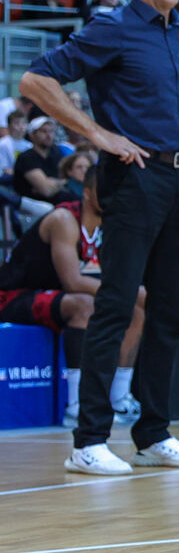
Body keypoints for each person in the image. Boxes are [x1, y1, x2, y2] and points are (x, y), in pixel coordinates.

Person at [20, 0, 179, 476]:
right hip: (132, 179)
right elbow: (35, 80)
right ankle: (89, 440)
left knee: (171, 311)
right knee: (116, 304)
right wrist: (97, 134)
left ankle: (153, 433)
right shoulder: (114, 27)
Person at [0, 168, 145, 427]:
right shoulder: (64, 219)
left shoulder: (109, 224)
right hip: (12, 295)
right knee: (85, 305)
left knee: (137, 307)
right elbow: (73, 282)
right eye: (108, 190)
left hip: (52, 295)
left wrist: (132, 292)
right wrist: (125, 292)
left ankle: (120, 398)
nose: (115, 196)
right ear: (88, 194)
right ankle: (75, 406)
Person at [14, 116, 67, 203]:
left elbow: (68, 179)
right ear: (32, 135)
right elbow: (45, 190)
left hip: (57, 201)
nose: (49, 135)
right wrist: (61, 183)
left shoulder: (56, 152)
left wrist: (53, 182)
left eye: (51, 131)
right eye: (44, 131)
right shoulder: (26, 157)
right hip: (32, 205)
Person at [0, 108, 31, 173]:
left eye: (24, 123)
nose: (21, 127)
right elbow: (4, 169)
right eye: (17, 123)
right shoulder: (3, 144)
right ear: (9, 126)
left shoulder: (30, 145)